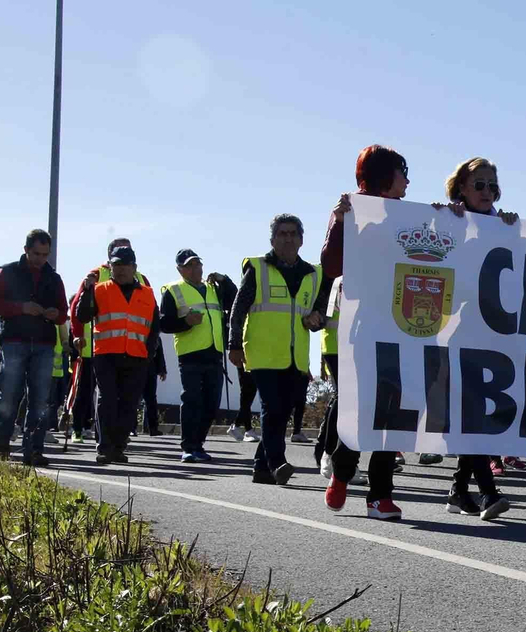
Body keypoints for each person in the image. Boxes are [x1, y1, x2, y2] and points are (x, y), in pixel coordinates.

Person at [320, 146, 409, 518]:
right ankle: (342, 470)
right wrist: (340, 222)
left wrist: (448, 217)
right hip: (364, 327)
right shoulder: (352, 211)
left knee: (396, 409)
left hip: (405, 328)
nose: (408, 181)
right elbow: (330, 265)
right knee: (361, 406)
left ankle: (379, 494)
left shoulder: (413, 216)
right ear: (385, 176)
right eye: (403, 172)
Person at [433, 156, 517, 520]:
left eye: (492, 186)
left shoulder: (504, 225)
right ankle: (488, 491)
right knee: (471, 411)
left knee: (478, 412)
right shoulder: (447, 220)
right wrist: (437, 217)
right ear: (461, 188)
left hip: (495, 333)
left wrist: (525, 229)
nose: (487, 192)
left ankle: (458, 490)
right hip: (456, 331)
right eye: (479, 185)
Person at [231, 212, 327, 488]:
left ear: (301, 240)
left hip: (295, 357)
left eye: (293, 234)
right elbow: (238, 310)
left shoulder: (312, 273)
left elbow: (320, 309)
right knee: (272, 408)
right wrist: (234, 344)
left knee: (282, 412)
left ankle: (261, 468)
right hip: (262, 353)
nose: (288, 238)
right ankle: (277, 463)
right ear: (272, 239)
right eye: (282, 234)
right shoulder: (258, 268)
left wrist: (316, 317)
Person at [73, 245, 159, 464]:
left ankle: (119, 447)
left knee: (129, 403)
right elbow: (82, 315)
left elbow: (154, 327)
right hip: (106, 354)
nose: (120, 269)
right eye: (116, 265)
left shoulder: (147, 293)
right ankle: (104, 447)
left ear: (134, 267)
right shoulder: (100, 289)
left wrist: (149, 354)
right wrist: (87, 290)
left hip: (137, 356)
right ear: (110, 266)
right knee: (108, 400)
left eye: (124, 265)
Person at [0, 229, 66, 464]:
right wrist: (22, 308)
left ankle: (33, 449)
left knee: (40, 399)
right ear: (26, 250)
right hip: (15, 342)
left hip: (43, 343)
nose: (40, 259)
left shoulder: (54, 278)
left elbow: (64, 313)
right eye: (36, 253)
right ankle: (2, 445)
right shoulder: (6, 272)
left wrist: (55, 314)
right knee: (9, 395)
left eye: (45, 254)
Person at [158, 249, 236, 463]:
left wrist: (225, 280)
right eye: (189, 266)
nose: (195, 269)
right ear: (180, 269)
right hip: (190, 354)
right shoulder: (173, 291)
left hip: (214, 353)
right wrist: (185, 323)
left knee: (212, 403)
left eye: (197, 264)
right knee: (192, 400)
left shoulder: (214, 288)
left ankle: (198, 444)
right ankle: (189, 447)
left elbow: (236, 299)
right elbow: (164, 324)